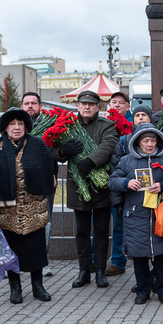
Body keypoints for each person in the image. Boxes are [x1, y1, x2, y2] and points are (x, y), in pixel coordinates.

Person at [0, 108, 55, 304]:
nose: (17, 127)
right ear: (5, 127)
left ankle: (38, 286)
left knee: (36, 249)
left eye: (20, 124)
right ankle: (15, 287)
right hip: (7, 211)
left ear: (26, 127)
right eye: (13, 124)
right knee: (10, 252)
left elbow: (50, 173)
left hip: (34, 208)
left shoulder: (37, 145)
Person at [53, 91, 118, 289]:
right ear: (78, 106)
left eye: (91, 104)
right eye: (83, 104)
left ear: (98, 107)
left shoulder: (107, 125)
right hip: (77, 186)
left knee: (100, 230)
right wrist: (63, 151)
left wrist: (91, 160)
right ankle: (84, 270)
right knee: (81, 232)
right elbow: (53, 149)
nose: (87, 107)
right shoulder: (68, 127)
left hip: (100, 187)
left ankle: (100, 270)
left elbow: (109, 144)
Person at [109, 123, 163, 304]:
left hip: (160, 215)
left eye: (153, 140)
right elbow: (112, 181)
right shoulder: (126, 161)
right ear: (138, 141)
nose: (149, 144)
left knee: (162, 256)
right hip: (136, 215)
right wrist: (126, 183)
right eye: (146, 140)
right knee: (139, 257)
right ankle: (143, 290)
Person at [108, 104, 152, 278]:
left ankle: (162, 268)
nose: (140, 117)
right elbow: (114, 172)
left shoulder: (159, 140)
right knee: (123, 230)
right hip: (130, 197)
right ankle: (119, 261)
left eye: (144, 115)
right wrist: (117, 200)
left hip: (153, 196)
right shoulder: (124, 141)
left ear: (150, 118)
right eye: (137, 115)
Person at [19, 91, 54, 278]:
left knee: (44, 222)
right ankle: (15, 262)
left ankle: (44, 262)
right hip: (17, 183)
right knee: (14, 222)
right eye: (27, 103)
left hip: (44, 181)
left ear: (40, 106)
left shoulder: (50, 124)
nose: (30, 106)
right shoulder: (14, 124)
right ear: (21, 106)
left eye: (34, 103)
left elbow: (55, 150)